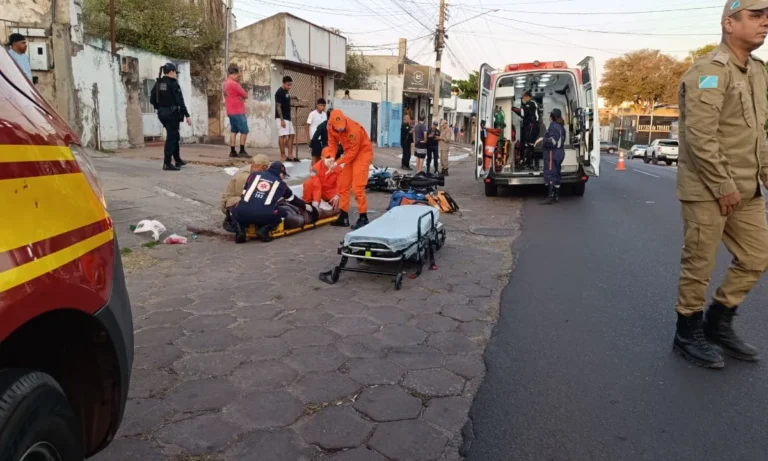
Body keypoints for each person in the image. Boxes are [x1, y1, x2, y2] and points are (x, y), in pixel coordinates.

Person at [671, 0, 768, 369]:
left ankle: (718, 319)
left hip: (748, 188)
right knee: (699, 262)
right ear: (729, 23)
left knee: (758, 255)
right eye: (756, 15)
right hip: (708, 188)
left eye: (767, 16)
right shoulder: (708, 72)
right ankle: (686, 330)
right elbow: (700, 136)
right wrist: (723, 185)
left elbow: (759, 134)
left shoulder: (758, 72)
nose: (765, 23)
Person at [231, 161, 317, 243]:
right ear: (280, 173)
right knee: (282, 212)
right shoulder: (281, 184)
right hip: (265, 216)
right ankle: (265, 229)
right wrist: (305, 206)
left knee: (233, 209)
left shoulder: (253, 175)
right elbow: (292, 200)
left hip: (243, 213)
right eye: (283, 175)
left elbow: (244, 193)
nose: (283, 177)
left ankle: (240, 231)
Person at [325, 109, 375, 229]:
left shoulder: (354, 130)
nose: (341, 130)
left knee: (357, 187)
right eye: (339, 128)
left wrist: (337, 163)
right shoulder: (331, 127)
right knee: (343, 185)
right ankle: (343, 215)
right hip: (350, 155)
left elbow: (352, 153)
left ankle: (363, 217)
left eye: (342, 128)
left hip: (362, 154)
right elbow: (332, 144)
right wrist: (330, 157)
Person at [150, 62, 191, 171]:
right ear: (171, 72)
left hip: (162, 113)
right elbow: (180, 101)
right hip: (172, 114)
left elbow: (152, 99)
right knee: (172, 138)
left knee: (174, 136)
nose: (176, 75)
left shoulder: (158, 83)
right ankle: (167, 163)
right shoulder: (173, 84)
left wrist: (160, 107)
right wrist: (187, 115)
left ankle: (177, 160)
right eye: (175, 73)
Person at [220, 154, 270, 232]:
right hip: (232, 200)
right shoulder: (244, 176)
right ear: (263, 167)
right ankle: (232, 220)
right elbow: (244, 196)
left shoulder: (255, 172)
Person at [535, 109, 566, 205]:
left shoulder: (553, 127)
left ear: (552, 117)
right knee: (556, 174)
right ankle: (556, 196)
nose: (548, 117)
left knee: (550, 173)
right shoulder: (561, 127)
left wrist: (542, 139)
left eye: (550, 115)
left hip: (552, 153)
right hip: (559, 152)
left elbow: (553, 141)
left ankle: (550, 197)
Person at [224, 64, 251, 159]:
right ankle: (242, 150)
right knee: (244, 130)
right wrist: (240, 97)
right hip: (238, 110)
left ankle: (232, 151)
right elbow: (245, 95)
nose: (238, 77)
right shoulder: (234, 84)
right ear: (234, 74)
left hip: (230, 110)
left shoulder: (226, 83)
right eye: (238, 75)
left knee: (234, 130)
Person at [512, 90, 540, 170]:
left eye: (523, 97)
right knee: (528, 145)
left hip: (532, 127)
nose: (523, 99)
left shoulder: (531, 104)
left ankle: (534, 164)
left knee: (530, 146)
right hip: (530, 126)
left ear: (527, 96)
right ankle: (529, 164)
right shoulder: (530, 104)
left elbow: (522, 112)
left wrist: (512, 108)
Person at [275, 76, 297, 162]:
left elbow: (286, 97)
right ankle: (283, 155)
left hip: (288, 117)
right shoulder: (279, 92)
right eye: (288, 85)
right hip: (282, 118)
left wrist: (293, 97)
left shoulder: (286, 91)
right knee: (282, 135)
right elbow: (278, 106)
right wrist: (282, 120)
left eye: (291, 85)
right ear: (284, 83)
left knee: (292, 135)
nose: (290, 87)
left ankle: (290, 154)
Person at [306, 98, 327, 163]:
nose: (322, 107)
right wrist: (308, 138)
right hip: (315, 138)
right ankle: (312, 172)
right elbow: (307, 126)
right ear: (317, 105)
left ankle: (318, 172)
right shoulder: (312, 114)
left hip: (323, 139)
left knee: (321, 156)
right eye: (321, 105)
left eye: (323, 106)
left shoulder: (325, 114)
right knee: (315, 156)